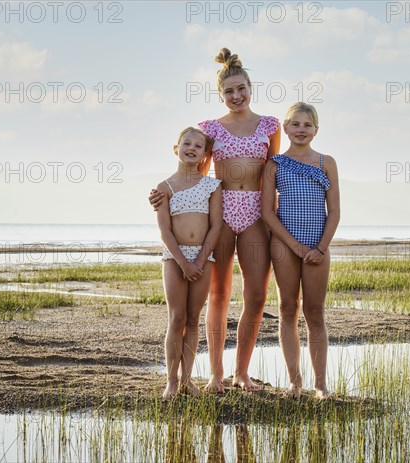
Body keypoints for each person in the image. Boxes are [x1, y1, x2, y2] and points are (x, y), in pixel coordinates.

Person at [150, 48, 281, 393]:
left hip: (256, 213)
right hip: (220, 214)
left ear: (250, 87)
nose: (236, 96)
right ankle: (215, 374)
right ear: (220, 94)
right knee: (218, 294)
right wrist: (164, 195)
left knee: (255, 295)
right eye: (229, 91)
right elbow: (197, 175)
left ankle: (242, 372)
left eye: (241, 89)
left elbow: (274, 171)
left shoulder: (270, 126)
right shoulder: (210, 130)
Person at [261, 102, 340, 400]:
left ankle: (320, 385)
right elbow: (268, 213)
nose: (301, 130)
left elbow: (334, 211)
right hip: (284, 244)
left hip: (317, 245)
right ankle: (295, 383)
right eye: (295, 124)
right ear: (286, 128)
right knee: (287, 308)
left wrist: (321, 247)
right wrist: (293, 245)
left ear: (316, 130)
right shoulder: (275, 164)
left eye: (307, 125)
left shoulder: (326, 162)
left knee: (314, 313)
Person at [155, 127, 222, 399]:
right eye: (186, 144)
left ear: (205, 154)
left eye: (198, 145)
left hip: (203, 258)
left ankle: (187, 380)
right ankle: (171, 381)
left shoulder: (212, 186)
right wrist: (183, 262)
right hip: (175, 258)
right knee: (177, 317)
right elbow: (165, 231)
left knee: (193, 320)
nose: (192, 148)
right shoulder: (164, 188)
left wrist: (200, 259)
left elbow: (215, 227)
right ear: (176, 148)